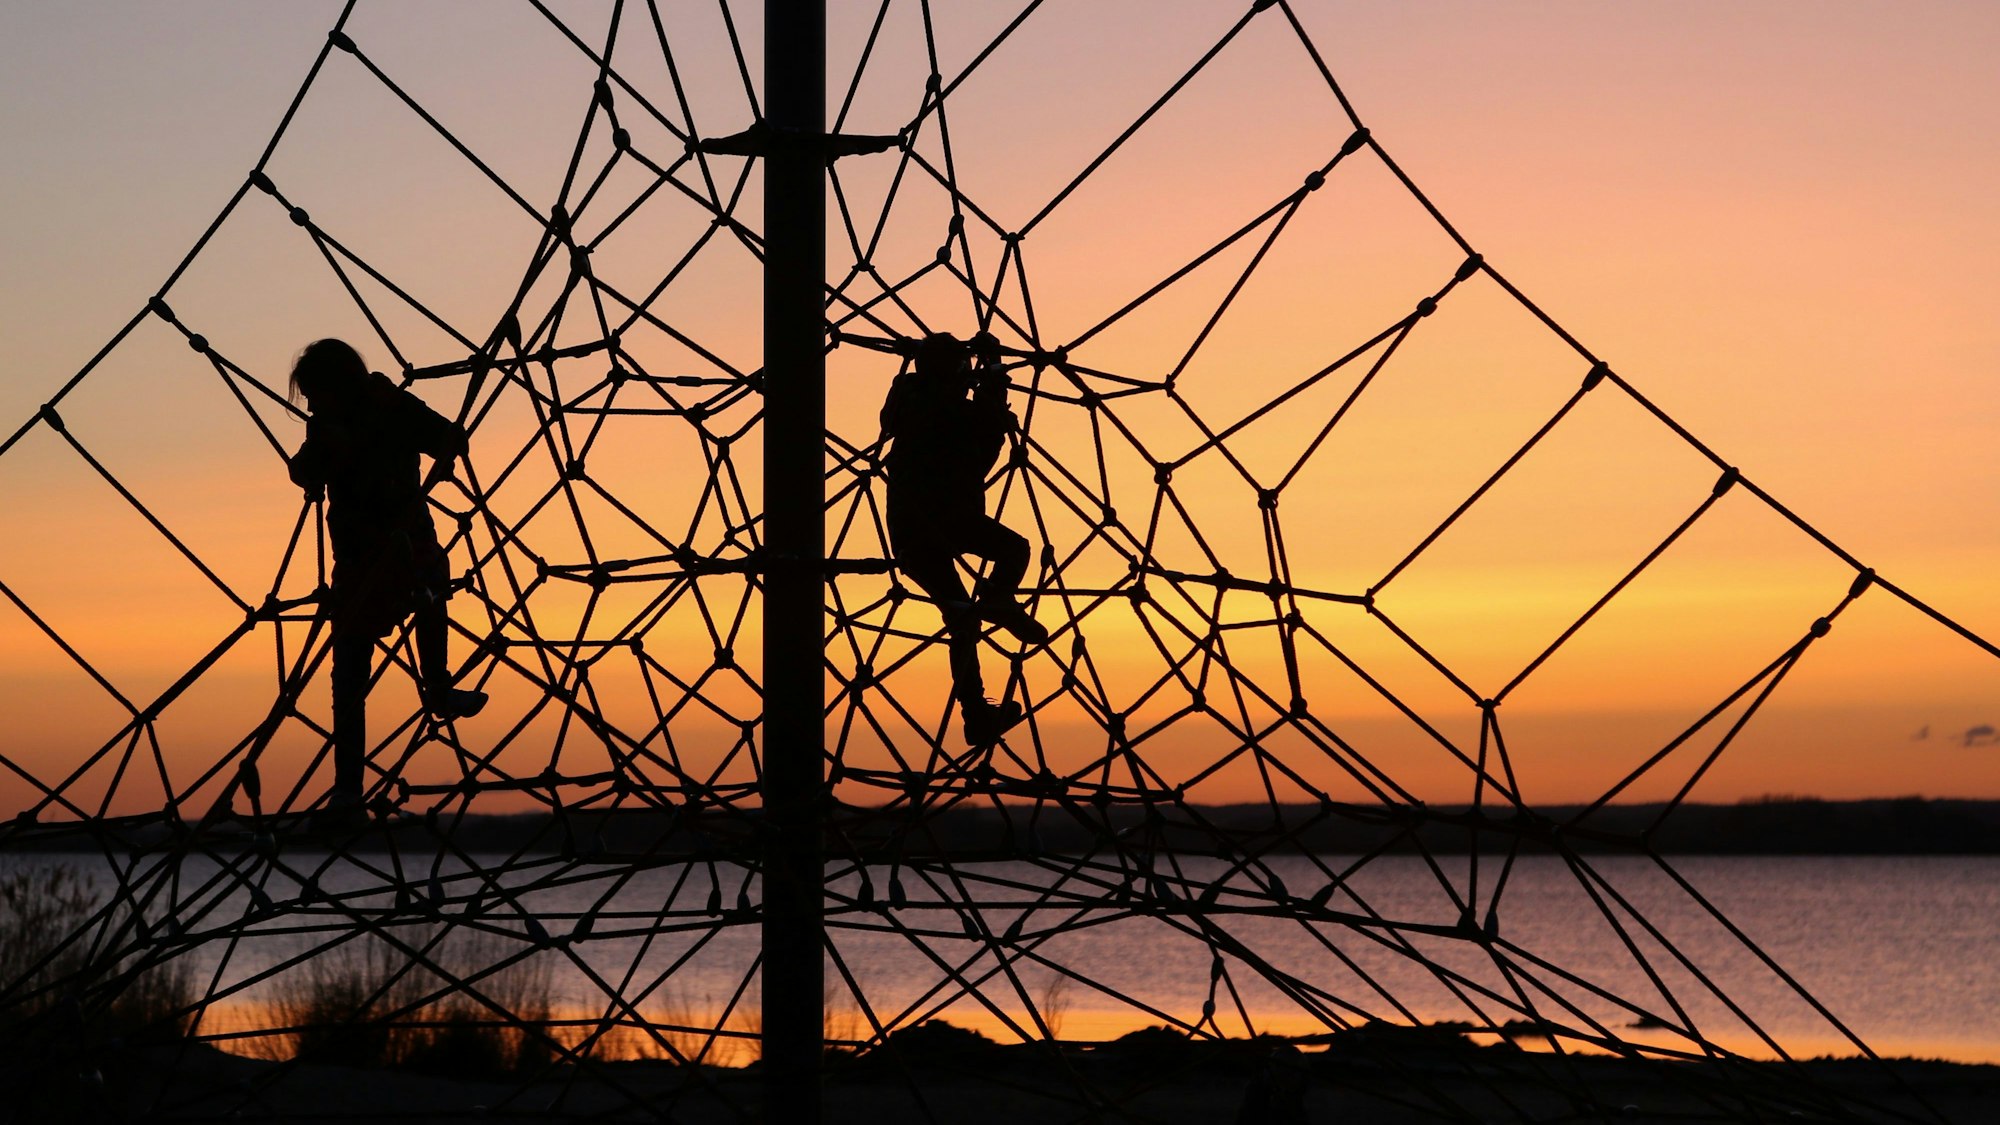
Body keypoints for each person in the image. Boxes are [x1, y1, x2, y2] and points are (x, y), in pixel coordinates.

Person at [286, 339, 486, 819]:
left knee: (429, 591)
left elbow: (449, 438)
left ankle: (436, 686)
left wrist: (402, 429)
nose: (311, 405)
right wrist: (322, 455)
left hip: (403, 543)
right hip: (359, 560)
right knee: (349, 676)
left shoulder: (392, 407)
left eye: (315, 393)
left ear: (340, 385)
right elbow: (304, 472)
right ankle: (348, 789)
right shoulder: (327, 427)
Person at [880, 332, 1049, 747]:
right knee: (1014, 549)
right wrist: (991, 366)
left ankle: (976, 715)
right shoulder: (957, 413)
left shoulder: (909, 403)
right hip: (950, 519)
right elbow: (990, 420)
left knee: (962, 620)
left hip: (910, 532)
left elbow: (897, 410)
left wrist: (938, 360)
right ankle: (997, 598)